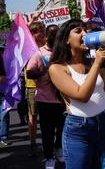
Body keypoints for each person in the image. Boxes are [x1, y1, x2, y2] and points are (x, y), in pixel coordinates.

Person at [48, 19, 105, 169]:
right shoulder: (57, 68)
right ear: (66, 39)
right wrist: (97, 64)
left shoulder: (93, 63)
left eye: (85, 30)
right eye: (78, 31)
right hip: (79, 131)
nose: (84, 34)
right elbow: (82, 95)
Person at [26, 24, 65, 169]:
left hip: (61, 99)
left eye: (58, 35)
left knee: (61, 128)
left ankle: (58, 149)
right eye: (53, 35)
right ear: (47, 36)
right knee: (47, 131)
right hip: (44, 100)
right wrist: (44, 72)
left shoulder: (62, 52)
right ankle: (49, 157)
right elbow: (29, 73)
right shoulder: (39, 54)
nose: (56, 37)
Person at [25, 21, 46, 157]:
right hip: (32, 87)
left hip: (47, 87)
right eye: (40, 30)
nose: (43, 32)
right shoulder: (28, 48)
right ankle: (33, 142)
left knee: (47, 117)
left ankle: (47, 143)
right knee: (33, 117)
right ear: (33, 33)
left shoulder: (47, 46)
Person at [0, 45, 9, 147]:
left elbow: (3, 77)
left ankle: (3, 137)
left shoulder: (5, 61)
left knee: (4, 113)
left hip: (3, 91)